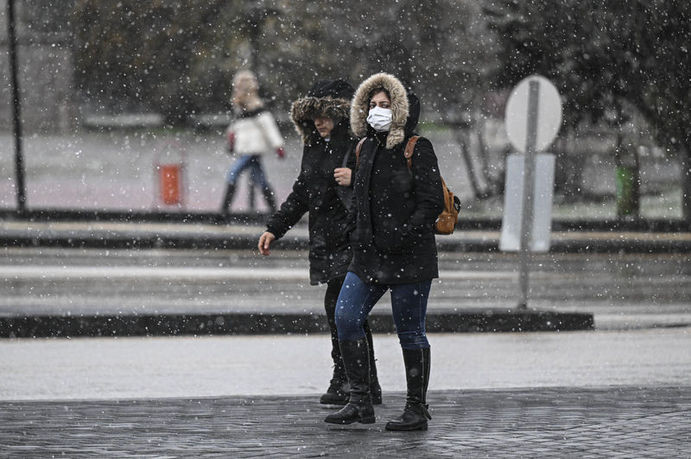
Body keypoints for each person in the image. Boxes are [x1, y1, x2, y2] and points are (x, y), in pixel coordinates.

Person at [323, 73, 444, 431]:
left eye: (385, 106)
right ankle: (359, 401)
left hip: (410, 257)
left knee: (410, 332)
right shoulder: (365, 147)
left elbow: (431, 202)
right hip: (368, 257)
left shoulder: (416, 147)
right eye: (373, 105)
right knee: (345, 317)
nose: (377, 111)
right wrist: (356, 234)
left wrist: (402, 234)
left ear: (401, 110)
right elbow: (360, 201)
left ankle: (416, 408)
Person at [257, 79, 382, 406]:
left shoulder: (358, 143)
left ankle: (348, 379)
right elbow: (302, 192)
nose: (318, 121)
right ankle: (364, 381)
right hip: (325, 240)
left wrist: (357, 179)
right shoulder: (315, 144)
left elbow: (386, 185)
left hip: (351, 238)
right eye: (313, 115)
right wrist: (275, 228)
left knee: (341, 309)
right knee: (347, 313)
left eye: (324, 114)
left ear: (340, 113)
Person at [221, 70, 285, 214]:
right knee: (261, 180)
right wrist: (231, 141)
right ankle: (274, 211)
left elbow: (270, 128)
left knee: (233, 174)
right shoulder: (241, 111)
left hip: (252, 150)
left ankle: (223, 211)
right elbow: (235, 128)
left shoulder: (258, 110)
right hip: (246, 149)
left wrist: (278, 146)